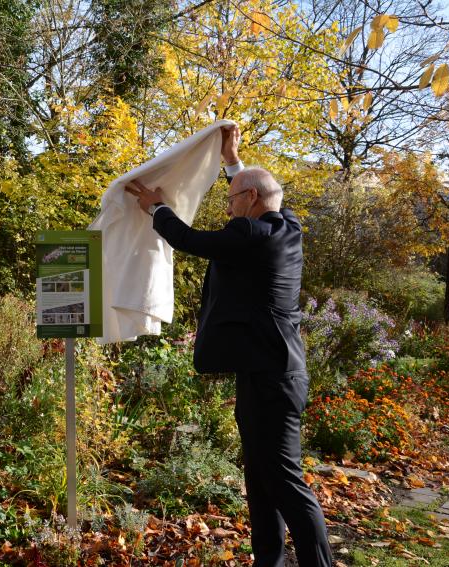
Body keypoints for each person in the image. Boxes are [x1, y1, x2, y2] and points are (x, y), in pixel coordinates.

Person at [125, 126, 332, 567]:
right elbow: (261, 193)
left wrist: (156, 207)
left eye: (232, 199)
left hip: (274, 378)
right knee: (261, 479)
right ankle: (268, 562)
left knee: (285, 481)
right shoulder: (287, 225)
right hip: (265, 373)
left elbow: (190, 240)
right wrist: (232, 161)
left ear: (251, 202)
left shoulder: (253, 236)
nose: (228, 207)